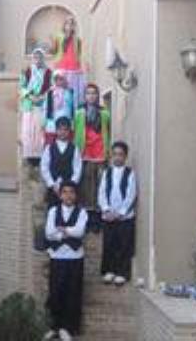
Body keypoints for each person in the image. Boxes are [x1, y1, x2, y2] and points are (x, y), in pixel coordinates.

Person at [44, 181, 88, 341]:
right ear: (60, 195)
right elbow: (49, 233)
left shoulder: (82, 212)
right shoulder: (53, 211)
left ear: (75, 195)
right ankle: (54, 327)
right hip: (57, 257)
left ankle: (68, 328)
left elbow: (80, 232)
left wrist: (62, 230)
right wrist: (68, 232)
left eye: (71, 192)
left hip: (75, 258)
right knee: (55, 292)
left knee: (72, 293)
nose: (68, 195)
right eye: (65, 192)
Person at [98, 141, 137, 286]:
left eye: (120, 155)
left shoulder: (130, 173)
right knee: (109, 244)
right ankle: (109, 270)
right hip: (108, 216)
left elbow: (131, 194)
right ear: (111, 156)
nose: (117, 157)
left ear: (125, 156)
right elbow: (102, 192)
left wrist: (121, 213)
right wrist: (106, 209)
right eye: (115, 154)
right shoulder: (106, 172)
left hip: (124, 217)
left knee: (123, 244)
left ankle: (122, 273)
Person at [74, 83, 110, 231]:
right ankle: (88, 220)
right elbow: (75, 131)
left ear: (97, 95)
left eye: (94, 93)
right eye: (88, 93)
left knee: (100, 186)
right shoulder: (79, 112)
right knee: (86, 187)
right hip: (85, 153)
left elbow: (108, 131)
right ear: (85, 96)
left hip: (100, 153)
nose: (91, 96)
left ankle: (98, 219)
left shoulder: (105, 113)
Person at [19, 48, 52, 165]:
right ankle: (28, 155)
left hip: (41, 105)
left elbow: (51, 88)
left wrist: (42, 97)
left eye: (40, 57)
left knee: (39, 130)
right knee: (28, 130)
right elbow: (21, 86)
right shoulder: (28, 71)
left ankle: (39, 157)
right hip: (29, 104)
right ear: (32, 58)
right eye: (35, 57)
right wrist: (29, 96)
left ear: (43, 58)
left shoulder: (48, 72)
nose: (38, 60)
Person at [41, 116, 82, 208]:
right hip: (53, 189)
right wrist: (51, 184)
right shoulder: (49, 148)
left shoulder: (74, 149)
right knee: (53, 212)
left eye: (65, 130)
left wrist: (71, 186)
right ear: (56, 130)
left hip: (70, 192)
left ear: (69, 131)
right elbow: (44, 167)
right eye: (60, 129)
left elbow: (77, 168)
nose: (62, 132)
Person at [50, 16, 86, 110]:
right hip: (61, 67)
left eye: (72, 24)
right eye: (68, 23)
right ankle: (59, 110)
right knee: (60, 91)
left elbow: (79, 54)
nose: (70, 26)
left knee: (74, 92)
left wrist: (80, 67)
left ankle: (72, 111)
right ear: (64, 25)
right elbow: (53, 51)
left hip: (74, 69)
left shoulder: (77, 39)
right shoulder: (58, 37)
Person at [43, 70, 74, 146]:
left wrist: (73, 122)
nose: (59, 82)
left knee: (66, 145)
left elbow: (73, 107)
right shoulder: (50, 92)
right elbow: (45, 108)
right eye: (56, 79)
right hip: (52, 123)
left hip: (66, 121)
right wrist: (43, 123)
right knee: (51, 145)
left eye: (61, 79)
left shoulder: (70, 92)